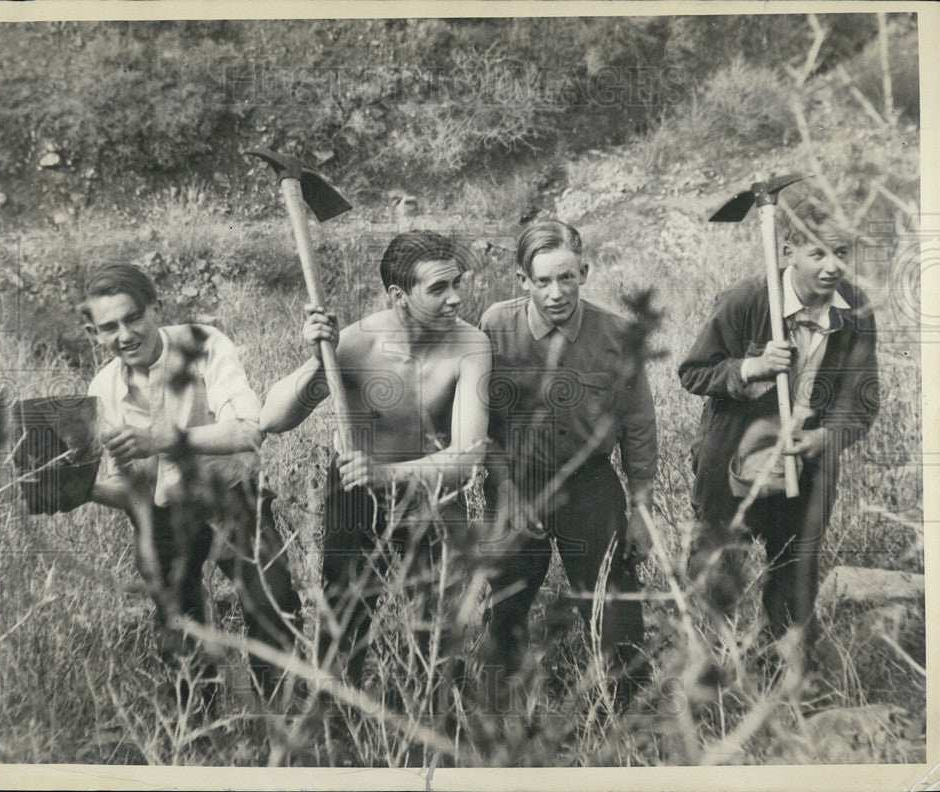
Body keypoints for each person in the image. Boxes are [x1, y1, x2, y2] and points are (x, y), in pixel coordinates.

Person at [260, 230, 491, 685]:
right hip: (354, 491)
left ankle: (439, 720)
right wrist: (315, 361)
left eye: (457, 284)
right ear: (398, 296)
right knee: (344, 615)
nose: (455, 299)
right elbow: (272, 418)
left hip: (434, 494)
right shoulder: (356, 342)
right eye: (439, 289)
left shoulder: (471, 345)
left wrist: (387, 472)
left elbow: (468, 456)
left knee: (442, 620)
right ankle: (334, 718)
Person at [83, 263, 300, 697]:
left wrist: (162, 440)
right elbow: (131, 494)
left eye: (133, 317)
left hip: (232, 500)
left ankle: (276, 716)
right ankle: (201, 728)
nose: (124, 335)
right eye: (109, 327)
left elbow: (248, 430)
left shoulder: (203, 344)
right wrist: (81, 490)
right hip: (164, 516)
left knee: (274, 605)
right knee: (179, 628)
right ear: (94, 334)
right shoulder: (102, 389)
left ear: (154, 309)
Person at [679, 198, 879, 658]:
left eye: (842, 253)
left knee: (794, 578)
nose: (832, 267)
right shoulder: (746, 301)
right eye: (819, 254)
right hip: (733, 464)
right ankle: (706, 680)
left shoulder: (856, 311)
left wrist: (824, 437)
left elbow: (863, 399)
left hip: (806, 466)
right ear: (788, 251)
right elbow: (693, 372)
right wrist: (752, 367)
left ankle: (783, 686)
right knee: (716, 572)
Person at [479, 219, 658, 702]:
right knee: (507, 603)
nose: (556, 293)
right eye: (542, 281)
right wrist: (508, 493)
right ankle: (496, 716)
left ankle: (629, 718)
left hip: (590, 484)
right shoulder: (496, 324)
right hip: (516, 481)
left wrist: (640, 509)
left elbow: (638, 424)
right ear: (522, 281)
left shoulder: (617, 334)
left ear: (584, 271)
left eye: (567, 278)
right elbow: (478, 421)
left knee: (613, 602)